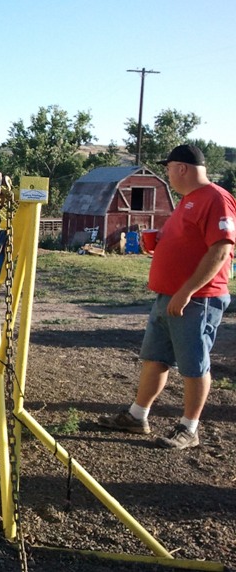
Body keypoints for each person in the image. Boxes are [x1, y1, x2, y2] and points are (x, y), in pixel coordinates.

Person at [98, 144, 236, 449]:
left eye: (169, 168)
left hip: (196, 299)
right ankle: (137, 416)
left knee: (194, 364)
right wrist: (162, 243)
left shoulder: (216, 198)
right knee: (155, 358)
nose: (168, 173)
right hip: (168, 296)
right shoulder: (189, 200)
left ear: (182, 168)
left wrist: (186, 291)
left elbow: (222, 249)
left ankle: (190, 428)